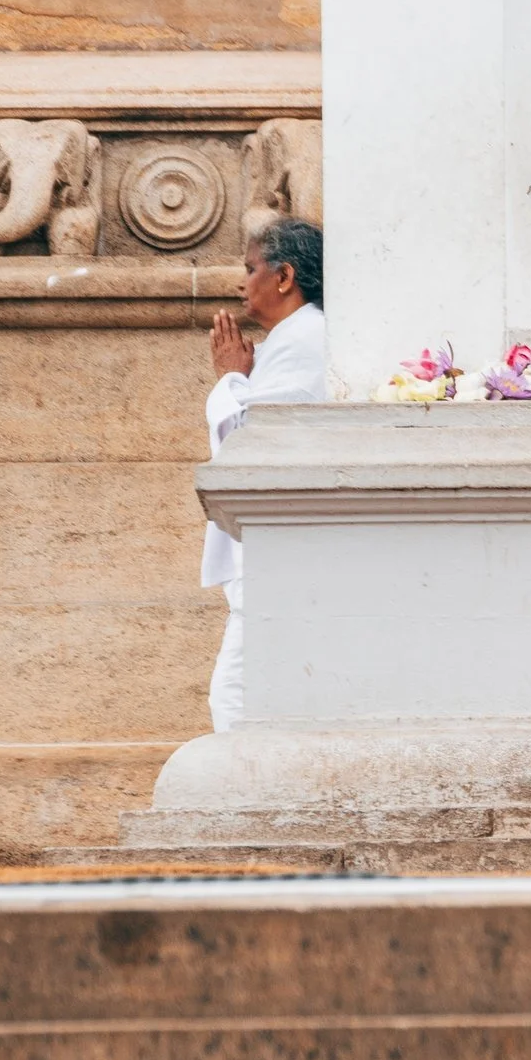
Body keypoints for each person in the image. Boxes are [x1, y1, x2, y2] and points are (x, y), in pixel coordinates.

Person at [200, 217, 328, 733]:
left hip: (284, 550)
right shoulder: (292, 340)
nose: (241, 282)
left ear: (284, 276)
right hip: (281, 551)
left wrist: (231, 376)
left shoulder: (306, 339)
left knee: (233, 700)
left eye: (251, 268)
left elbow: (252, 442)